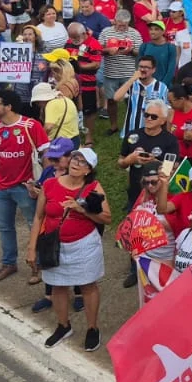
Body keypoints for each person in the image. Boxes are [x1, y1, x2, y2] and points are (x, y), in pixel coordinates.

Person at [29, 146, 109, 351]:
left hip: (84, 245)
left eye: (82, 162)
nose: (75, 163)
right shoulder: (49, 184)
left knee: (88, 286)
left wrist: (82, 210)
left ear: (88, 170)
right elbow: (39, 217)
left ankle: (92, 328)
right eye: (75, 158)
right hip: (54, 244)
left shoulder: (94, 189)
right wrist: (32, 248)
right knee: (57, 285)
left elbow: (107, 218)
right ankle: (63, 326)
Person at [0, 88, 48, 282]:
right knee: (5, 228)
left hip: (26, 187)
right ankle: (9, 263)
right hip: (2, 188)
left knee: (34, 226)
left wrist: (42, 185)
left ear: (8, 107)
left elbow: (46, 156)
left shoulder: (31, 126)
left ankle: (37, 265)